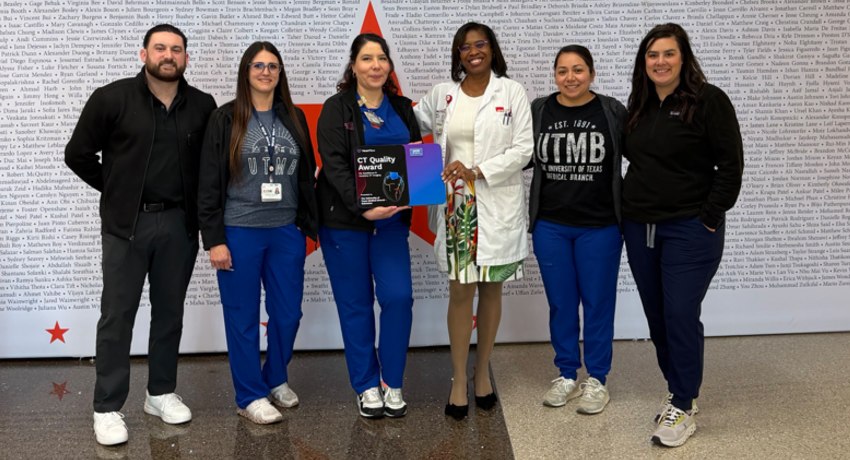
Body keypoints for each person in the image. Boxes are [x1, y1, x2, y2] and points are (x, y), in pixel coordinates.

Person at [65, 24, 216, 446]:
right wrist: (117, 189)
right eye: (160, 48)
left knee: (169, 314)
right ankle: (107, 407)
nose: (169, 55)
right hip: (125, 227)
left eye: (177, 49)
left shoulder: (202, 105)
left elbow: (210, 168)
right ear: (143, 53)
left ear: (186, 57)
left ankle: (161, 392)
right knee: (118, 316)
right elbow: (76, 154)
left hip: (178, 226)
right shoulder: (111, 98)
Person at [623, 23, 743, 447]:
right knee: (658, 318)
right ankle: (679, 390)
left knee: (679, 313)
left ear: (683, 57)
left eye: (668, 54)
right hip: (640, 229)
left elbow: (731, 164)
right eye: (652, 55)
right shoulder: (637, 105)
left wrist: (710, 216)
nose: (660, 62)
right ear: (644, 61)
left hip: (691, 229)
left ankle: (684, 402)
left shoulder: (709, 101)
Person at [415, 22, 532, 420]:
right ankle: (459, 380)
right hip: (456, 208)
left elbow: (523, 150)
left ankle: (483, 374)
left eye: (480, 44)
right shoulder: (442, 95)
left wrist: (478, 171)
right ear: (458, 54)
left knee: (491, 290)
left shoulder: (511, 92)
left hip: (495, 201)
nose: (473, 52)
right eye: (465, 47)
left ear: (492, 49)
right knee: (461, 292)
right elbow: (406, 122)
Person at [198, 42, 318, 425]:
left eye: (273, 66)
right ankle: (249, 395)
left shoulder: (294, 117)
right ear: (246, 71)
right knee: (243, 317)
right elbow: (209, 183)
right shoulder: (225, 118)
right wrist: (214, 238)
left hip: (285, 231)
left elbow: (305, 174)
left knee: (287, 313)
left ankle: (276, 377)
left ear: (280, 73)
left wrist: (305, 223)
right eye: (258, 65)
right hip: (239, 231)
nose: (266, 72)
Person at [316, 33, 421, 419]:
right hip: (346, 224)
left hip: (391, 225)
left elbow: (415, 159)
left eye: (381, 58)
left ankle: (392, 382)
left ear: (389, 66)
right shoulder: (336, 108)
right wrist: (364, 208)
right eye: (366, 58)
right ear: (354, 66)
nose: (375, 65)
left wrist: (421, 187)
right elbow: (334, 166)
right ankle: (365, 385)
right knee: (356, 305)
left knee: (398, 298)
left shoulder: (402, 108)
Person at [528, 45, 626, 415]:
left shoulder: (612, 111)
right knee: (561, 303)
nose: (570, 78)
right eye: (563, 71)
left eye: (578, 70)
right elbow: (517, 154)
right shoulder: (539, 109)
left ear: (592, 73)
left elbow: (644, 153)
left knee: (598, 303)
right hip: (550, 225)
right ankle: (567, 373)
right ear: (554, 74)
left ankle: (597, 378)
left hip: (599, 226)